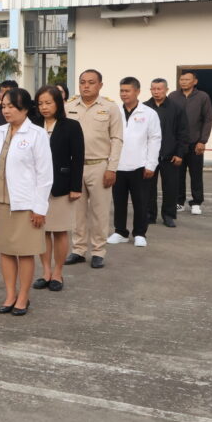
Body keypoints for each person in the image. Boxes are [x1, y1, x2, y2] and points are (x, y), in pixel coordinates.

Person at [0, 88, 53, 316]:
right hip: (0, 201)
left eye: (11, 106)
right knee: (6, 251)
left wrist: (40, 207)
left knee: (25, 251)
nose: (6, 110)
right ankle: (10, 294)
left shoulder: (37, 134)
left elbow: (45, 175)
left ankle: (23, 297)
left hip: (25, 203)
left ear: (25, 108)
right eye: (4, 106)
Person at [64, 69, 124, 269]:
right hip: (74, 167)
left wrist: (112, 168)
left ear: (100, 85)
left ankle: (98, 251)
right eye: (82, 82)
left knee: (100, 212)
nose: (86, 86)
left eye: (91, 82)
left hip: (99, 166)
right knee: (76, 212)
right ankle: (78, 250)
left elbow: (117, 139)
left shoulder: (110, 108)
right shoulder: (69, 106)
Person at [32, 85, 84, 292]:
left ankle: (58, 273)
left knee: (60, 231)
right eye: (40, 103)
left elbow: (78, 158)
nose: (44, 107)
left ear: (58, 103)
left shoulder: (71, 126)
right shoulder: (32, 125)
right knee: (42, 231)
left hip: (61, 186)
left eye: (48, 103)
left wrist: (75, 186)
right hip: (37, 187)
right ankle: (45, 272)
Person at [107, 77, 161, 248]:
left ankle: (139, 233)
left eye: (127, 91)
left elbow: (155, 139)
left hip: (140, 165)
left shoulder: (149, 113)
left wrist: (151, 164)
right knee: (119, 201)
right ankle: (120, 231)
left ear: (137, 91)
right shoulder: (114, 111)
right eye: (121, 91)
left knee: (141, 202)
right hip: (117, 165)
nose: (124, 94)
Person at [144, 79, 190, 228]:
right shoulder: (144, 108)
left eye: (159, 89)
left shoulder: (176, 108)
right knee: (148, 188)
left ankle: (169, 216)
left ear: (166, 90)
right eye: (153, 89)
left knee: (170, 188)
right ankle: (150, 215)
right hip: (149, 156)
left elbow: (183, 133)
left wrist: (180, 153)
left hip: (170, 156)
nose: (156, 92)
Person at [169, 71, 212, 216]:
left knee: (196, 175)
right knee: (178, 175)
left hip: (195, 143)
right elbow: (169, 119)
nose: (183, 82)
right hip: (178, 144)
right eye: (181, 79)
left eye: (187, 79)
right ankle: (179, 202)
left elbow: (208, 120)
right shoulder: (173, 96)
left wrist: (202, 141)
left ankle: (196, 202)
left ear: (195, 81)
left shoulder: (202, 97)